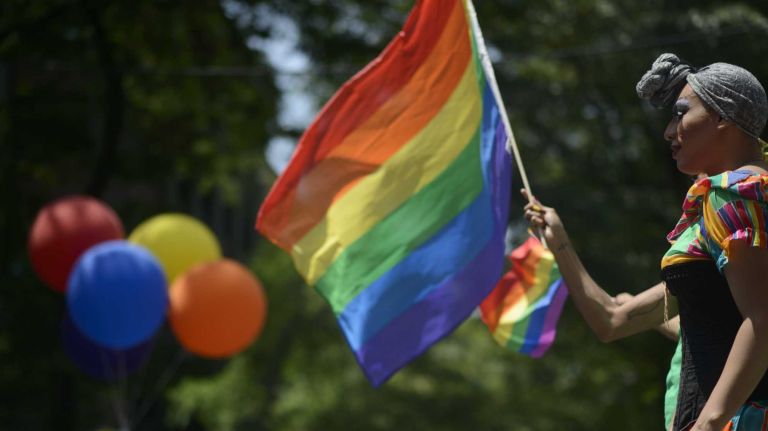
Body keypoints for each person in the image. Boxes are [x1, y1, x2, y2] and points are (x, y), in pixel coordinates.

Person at [524, 53, 768, 431]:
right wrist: (559, 242)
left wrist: (709, 422)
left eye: (680, 113)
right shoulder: (730, 207)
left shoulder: (735, 197)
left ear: (723, 117)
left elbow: (763, 319)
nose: (670, 131)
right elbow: (612, 320)